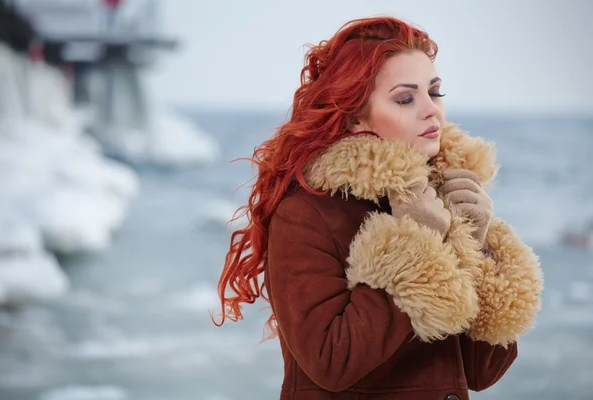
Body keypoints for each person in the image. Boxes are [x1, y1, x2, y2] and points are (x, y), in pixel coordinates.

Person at [212, 16, 543, 400]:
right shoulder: (307, 213)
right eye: (405, 98)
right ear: (354, 117)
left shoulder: (442, 200)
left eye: (435, 93)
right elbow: (330, 364)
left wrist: (478, 243)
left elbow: (481, 372)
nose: (430, 110)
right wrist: (414, 248)